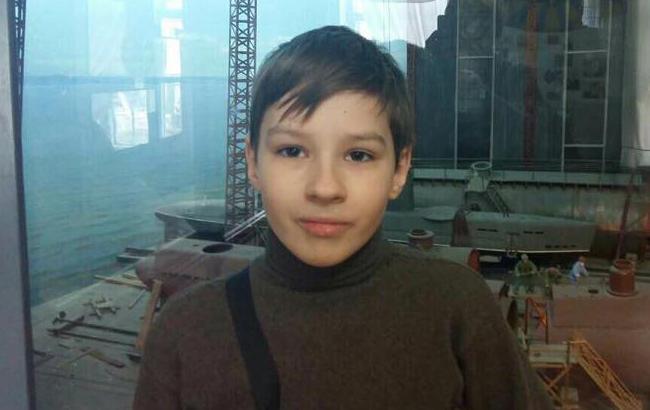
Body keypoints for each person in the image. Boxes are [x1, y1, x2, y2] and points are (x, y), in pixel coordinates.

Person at [133, 26, 553, 409]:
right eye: (292, 150)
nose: (325, 187)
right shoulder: (184, 335)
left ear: (400, 169)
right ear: (253, 162)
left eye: (358, 155)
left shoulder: (459, 313)